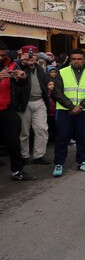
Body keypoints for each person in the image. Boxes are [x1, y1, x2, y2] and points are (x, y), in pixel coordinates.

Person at [50, 48, 85, 177]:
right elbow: (56, 93)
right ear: (70, 60)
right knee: (62, 137)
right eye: (74, 59)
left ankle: (82, 161)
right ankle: (59, 163)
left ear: (84, 60)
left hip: (83, 111)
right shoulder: (62, 72)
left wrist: (81, 106)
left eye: (79, 59)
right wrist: (71, 106)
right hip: (64, 110)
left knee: (83, 137)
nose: (76, 61)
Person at [0, 40, 35, 181]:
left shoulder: (11, 63)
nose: (1, 58)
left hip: (8, 108)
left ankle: (17, 170)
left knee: (14, 140)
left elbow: (22, 84)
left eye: (3, 55)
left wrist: (22, 77)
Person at [18, 48, 53, 165]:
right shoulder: (18, 67)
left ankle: (39, 155)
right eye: (28, 55)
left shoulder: (40, 69)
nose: (31, 57)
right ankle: (24, 155)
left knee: (42, 129)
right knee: (24, 132)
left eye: (33, 55)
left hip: (39, 101)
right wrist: (22, 64)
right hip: (24, 103)